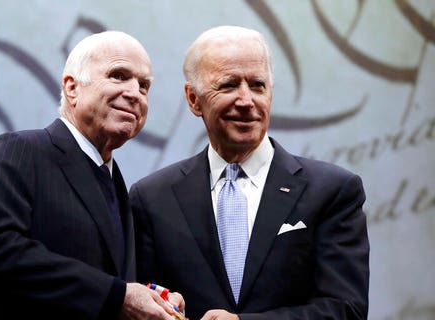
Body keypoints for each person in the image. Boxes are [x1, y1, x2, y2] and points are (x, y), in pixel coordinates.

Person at [130, 26, 369, 320]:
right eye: (229, 85)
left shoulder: (332, 191)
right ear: (193, 99)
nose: (246, 101)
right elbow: (140, 303)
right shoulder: (152, 198)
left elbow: (347, 309)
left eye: (257, 85)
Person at [0, 31, 183, 319]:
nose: (134, 93)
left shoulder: (117, 184)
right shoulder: (21, 150)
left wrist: (153, 299)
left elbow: (106, 283)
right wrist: (119, 296)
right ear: (72, 87)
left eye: (144, 86)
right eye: (118, 76)